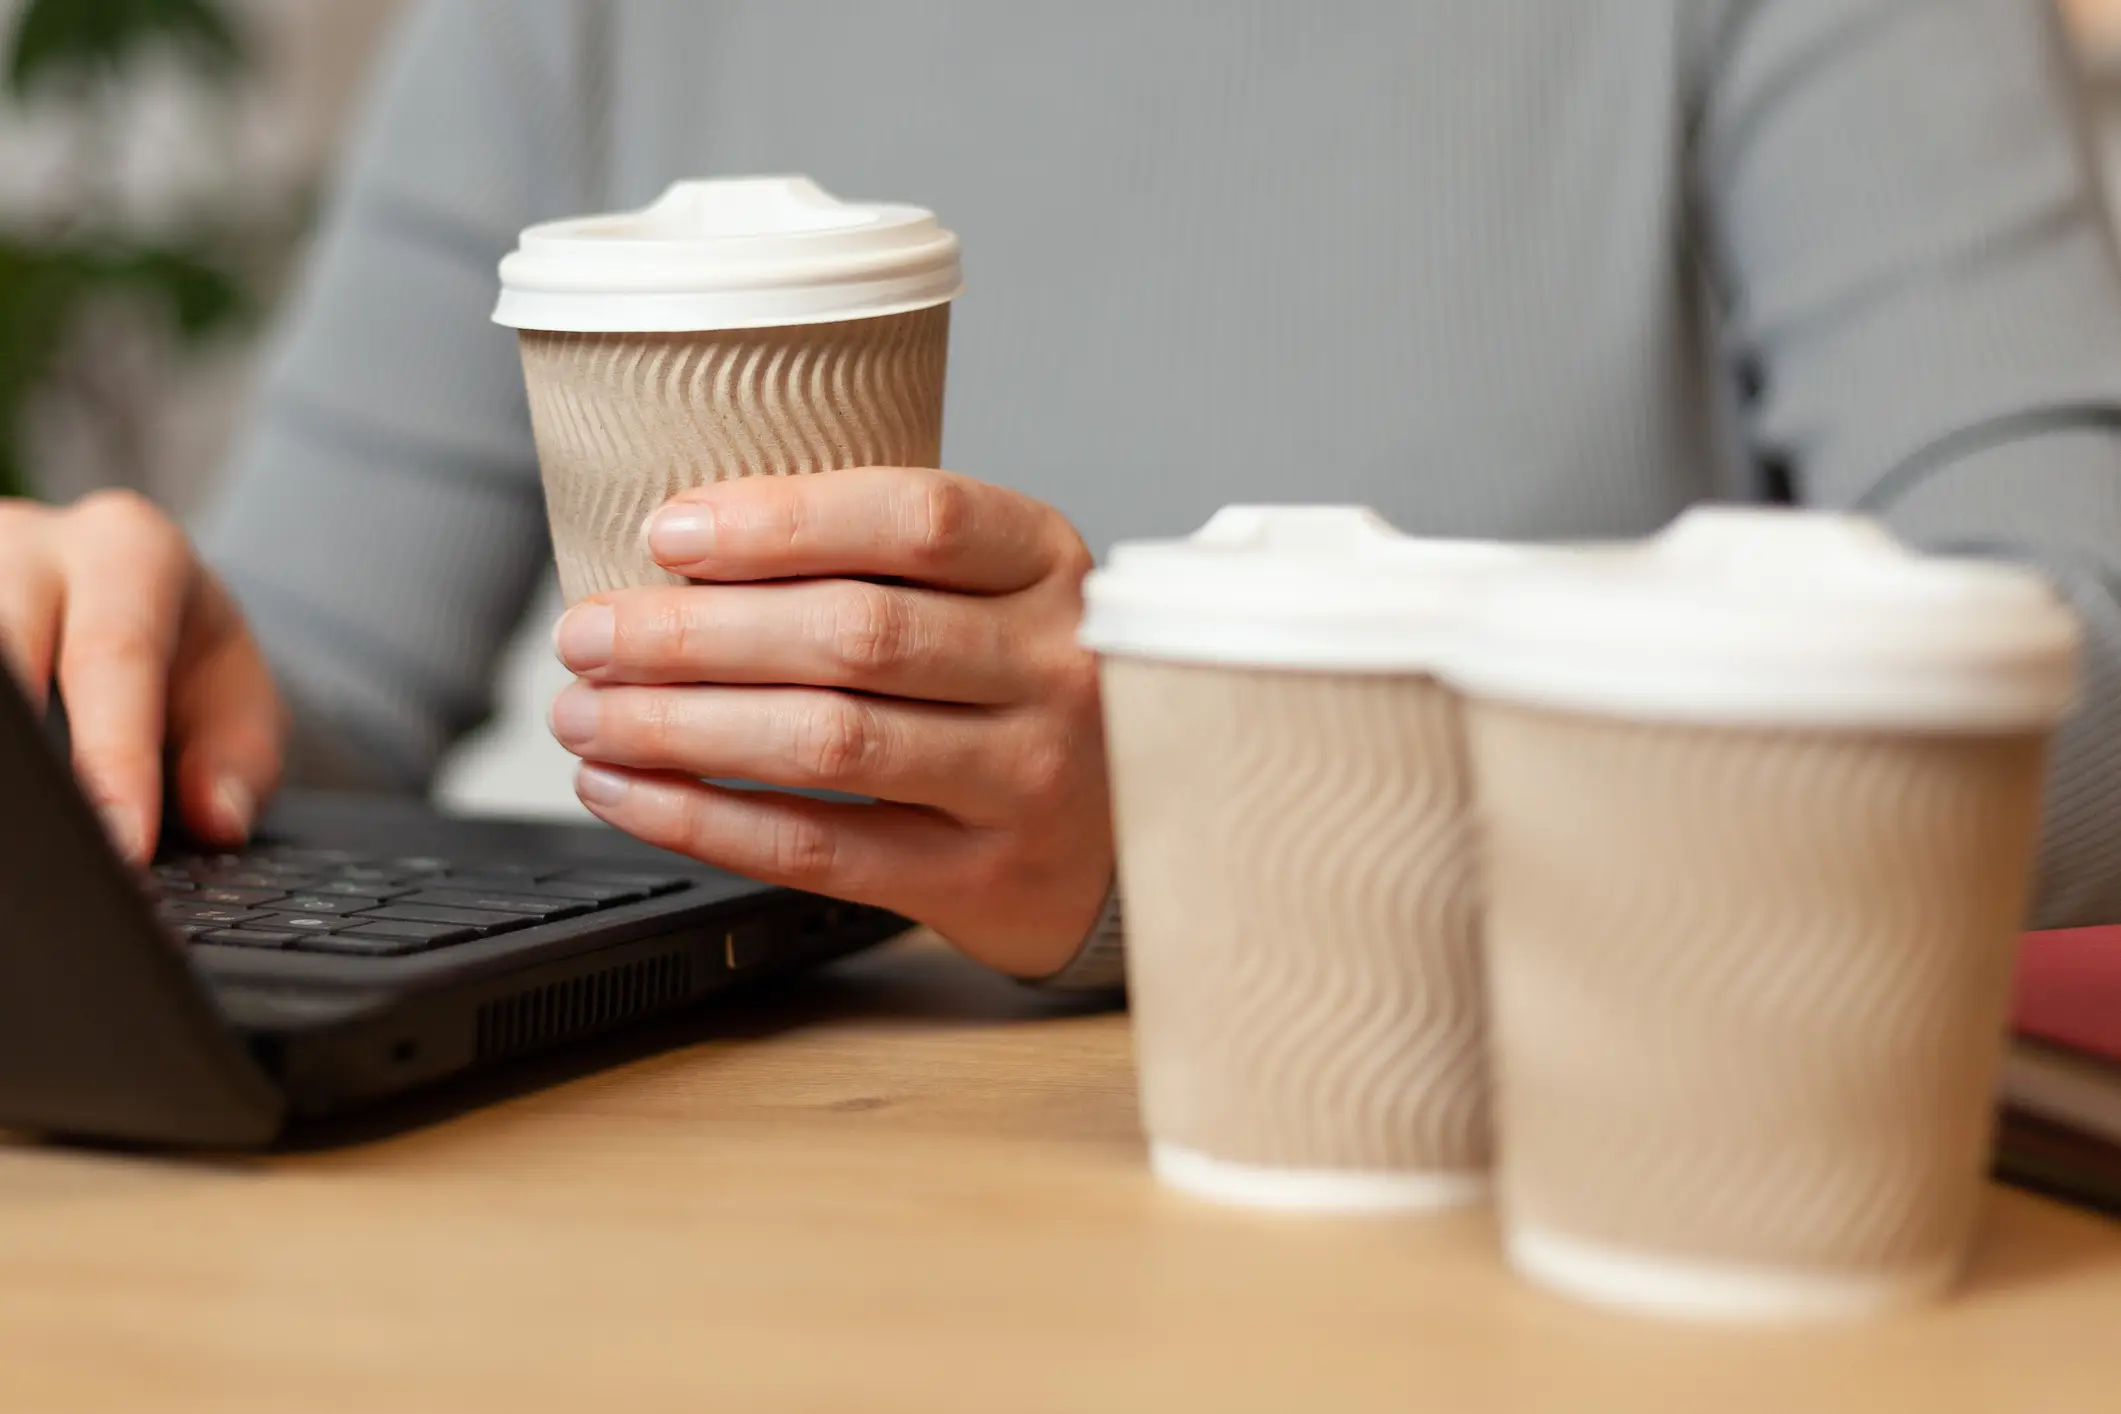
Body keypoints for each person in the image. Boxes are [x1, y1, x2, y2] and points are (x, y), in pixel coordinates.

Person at [3, 0, 2121, 992]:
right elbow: (314, 694)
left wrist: (1238, 795)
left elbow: (2086, 662)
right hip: (728, 1251)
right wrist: (130, 673)